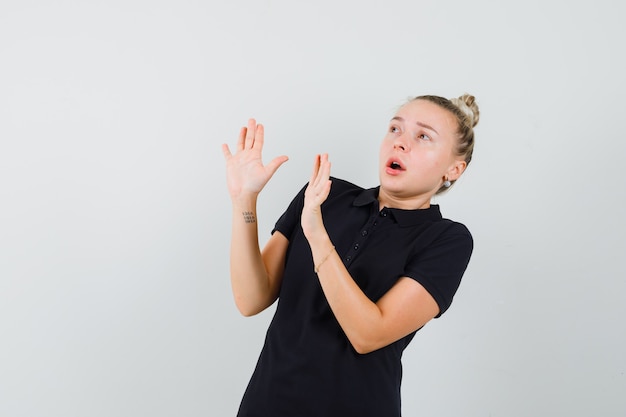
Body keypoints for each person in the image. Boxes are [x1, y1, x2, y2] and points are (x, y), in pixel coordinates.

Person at [222, 94, 479, 417]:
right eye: (395, 129)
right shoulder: (323, 195)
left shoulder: (446, 240)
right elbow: (251, 298)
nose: (399, 144)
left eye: (423, 136)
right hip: (267, 404)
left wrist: (318, 237)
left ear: (454, 169)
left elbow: (367, 334)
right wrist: (244, 200)